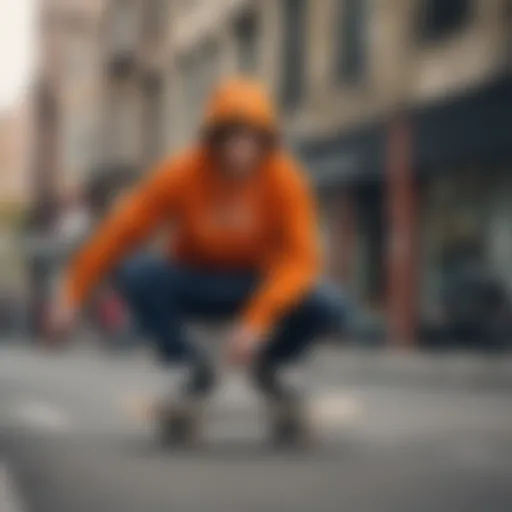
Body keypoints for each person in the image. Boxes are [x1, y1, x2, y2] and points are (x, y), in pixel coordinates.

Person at [49, 78, 347, 444]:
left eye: (252, 138)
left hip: (256, 283)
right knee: (138, 272)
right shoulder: (182, 172)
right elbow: (119, 232)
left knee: (328, 302)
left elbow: (301, 261)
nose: (241, 149)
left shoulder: (286, 179)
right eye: (231, 137)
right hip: (195, 280)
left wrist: (256, 324)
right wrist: (71, 295)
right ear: (214, 139)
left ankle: (273, 367)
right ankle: (189, 368)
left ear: (266, 141)